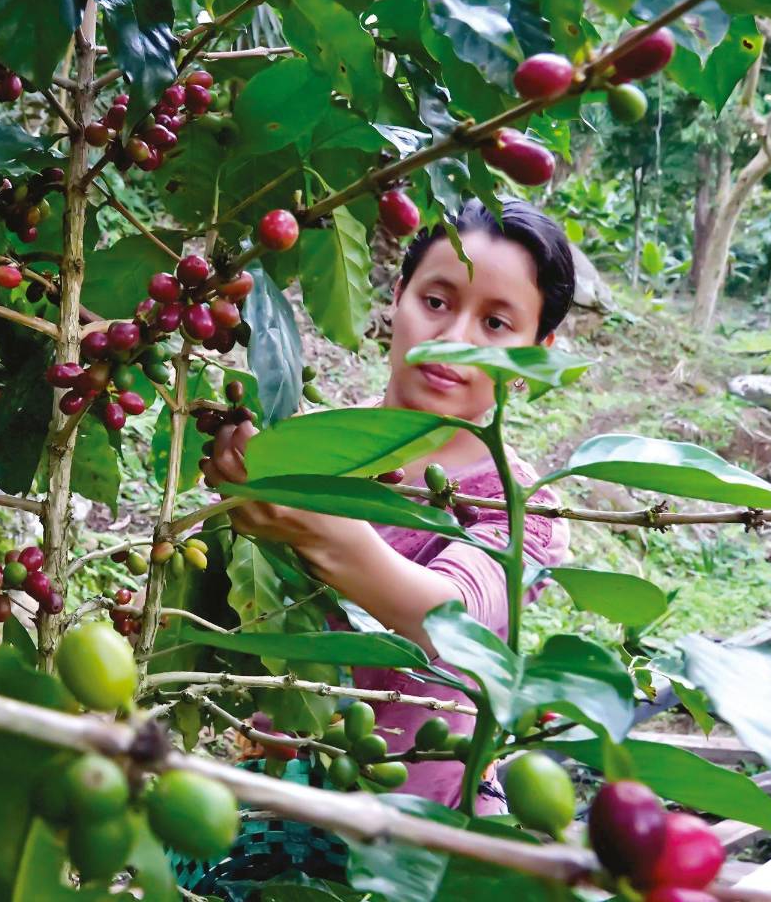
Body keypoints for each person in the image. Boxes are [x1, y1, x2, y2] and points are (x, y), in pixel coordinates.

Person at [199, 197, 576, 814]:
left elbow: (449, 615)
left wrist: (319, 530)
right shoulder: (309, 450)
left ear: (536, 352)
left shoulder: (522, 507)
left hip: (426, 835)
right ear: (397, 295)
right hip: (276, 816)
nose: (454, 340)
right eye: (437, 302)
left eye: (496, 325)